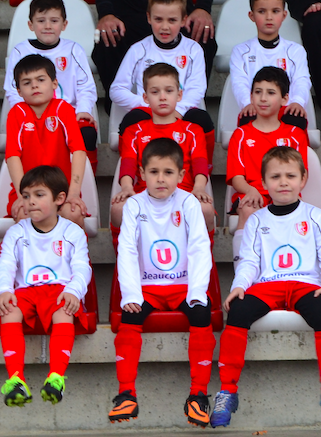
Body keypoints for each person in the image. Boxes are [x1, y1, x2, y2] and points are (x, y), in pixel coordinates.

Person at [213, 147, 321, 428]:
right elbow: (249, 261)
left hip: (305, 284)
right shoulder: (257, 220)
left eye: (290, 175)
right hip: (268, 285)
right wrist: (239, 286)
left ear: (303, 179)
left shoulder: (316, 216)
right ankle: (227, 390)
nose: (283, 182)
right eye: (275, 176)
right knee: (237, 310)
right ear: (263, 183)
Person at [110, 138, 215, 427]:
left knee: (202, 315)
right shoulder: (134, 205)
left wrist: (197, 291)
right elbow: (128, 250)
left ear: (182, 176)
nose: (160, 179)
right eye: (154, 172)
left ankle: (198, 395)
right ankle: (126, 394)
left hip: (182, 287)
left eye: (168, 172)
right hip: (147, 289)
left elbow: (199, 247)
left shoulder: (189, 202)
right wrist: (131, 292)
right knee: (128, 321)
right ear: (141, 173)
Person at [0, 166, 92, 408]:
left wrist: (74, 291)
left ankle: (56, 377)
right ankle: (16, 379)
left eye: (39, 195)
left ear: (59, 199)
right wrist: (4, 290)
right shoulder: (16, 232)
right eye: (26, 196)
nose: (30, 202)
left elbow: (83, 268)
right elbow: (5, 264)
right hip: (26, 291)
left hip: (60, 289)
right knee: (10, 311)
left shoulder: (72, 232)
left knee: (64, 311)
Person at [111, 63, 215, 245]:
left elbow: (200, 162)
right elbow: (128, 162)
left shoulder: (192, 130)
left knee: (205, 210)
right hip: (145, 193)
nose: (163, 97)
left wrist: (199, 188)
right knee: (118, 209)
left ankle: (205, 271)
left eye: (169, 91)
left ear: (179, 95)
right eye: (155, 92)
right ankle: (126, 269)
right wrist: (127, 187)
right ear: (145, 97)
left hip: (184, 192)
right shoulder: (134, 131)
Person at [109, 0, 214, 153]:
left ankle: (203, 171)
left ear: (184, 20)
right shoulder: (138, 50)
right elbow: (116, 89)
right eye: (158, 19)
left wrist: (176, 110)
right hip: (149, 113)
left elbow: (197, 89)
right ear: (149, 18)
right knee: (132, 119)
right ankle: (130, 169)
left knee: (202, 119)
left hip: (181, 114)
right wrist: (148, 106)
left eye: (172, 20)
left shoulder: (193, 50)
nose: (165, 27)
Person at [4, 0, 99, 172]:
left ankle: (88, 178)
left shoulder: (73, 50)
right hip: (32, 114)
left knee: (87, 133)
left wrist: (83, 110)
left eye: (54, 20)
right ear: (30, 25)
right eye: (41, 20)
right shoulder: (20, 51)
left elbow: (85, 86)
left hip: (69, 114)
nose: (48, 26)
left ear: (64, 24)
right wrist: (24, 114)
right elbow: (12, 88)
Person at [5, 55, 88, 228]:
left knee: (72, 213)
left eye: (40, 80)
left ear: (54, 84)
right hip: (29, 190)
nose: (34, 85)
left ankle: (77, 255)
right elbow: (12, 157)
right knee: (23, 214)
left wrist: (73, 192)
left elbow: (79, 151)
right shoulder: (16, 113)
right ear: (19, 91)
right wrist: (23, 196)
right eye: (27, 82)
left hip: (60, 190)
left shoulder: (63, 109)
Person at [226, 67, 310, 232]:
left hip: (286, 192)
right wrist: (251, 191)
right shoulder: (240, 134)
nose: (263, 98)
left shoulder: (295, 134)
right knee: (249, 210)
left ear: (285, 99)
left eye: (271, 93)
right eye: (258, 92)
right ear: (251, 96)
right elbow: (236, 178)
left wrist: (282, 192)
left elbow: (303, 174)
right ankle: (244, 258)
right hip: (251, 194)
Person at [228, 0, 311, 129]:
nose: (269, 17)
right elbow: (239, 82)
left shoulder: (295, 51)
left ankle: (292, 153)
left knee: (296, 118)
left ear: (284, 15)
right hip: (257, 107)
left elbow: (301, 80)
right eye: (261, 11)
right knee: (248, 118)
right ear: (251, 16)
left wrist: (296, 101)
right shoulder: (240, 51)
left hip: (285, 108)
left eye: (275, 11)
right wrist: (247, 103)